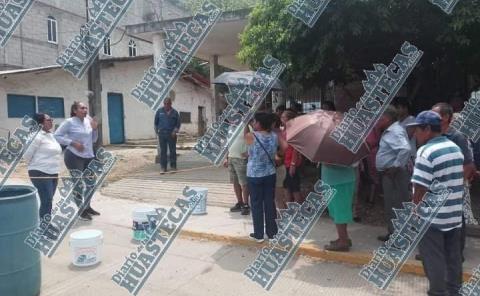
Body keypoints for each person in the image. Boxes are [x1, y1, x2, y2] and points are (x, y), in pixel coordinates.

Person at [407, 110, 464, 296]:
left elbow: (420, 186)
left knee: (433, 258)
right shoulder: (455, 148)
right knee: (453, 257)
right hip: (454, 214)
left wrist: (415, 208)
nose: (415, 134)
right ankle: (454, 290)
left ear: (428, 129)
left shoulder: (426, 151)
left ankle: (438, 292)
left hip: (432, 216)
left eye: (418, 129)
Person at [432, 102, 477, 259]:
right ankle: (439, 251)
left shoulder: (457, 136)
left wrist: (456, 184)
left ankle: (457, 252)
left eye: (435, 114)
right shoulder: (433, 134)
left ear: (445, 117)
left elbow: (468, 165)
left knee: (457, 218)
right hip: (436, 186)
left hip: (454, 186)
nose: (432, 116)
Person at [54, 101, 99, 221]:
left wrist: (95, 129)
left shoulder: (88, 120)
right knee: (78, 184)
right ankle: (81, 210)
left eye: (86, 108)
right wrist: (73, 143)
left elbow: (94, 140)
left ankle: (87, 206)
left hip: (88, 156)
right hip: (73, 156)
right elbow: (57, 136)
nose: (85, 110)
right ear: (75, 110)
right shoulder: (69, 122)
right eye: (82, 108)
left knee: (91, 183)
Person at [375, 106, 411, 242]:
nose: (378, 121)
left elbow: (405, 149)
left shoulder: (395, 131)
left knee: (397, 204)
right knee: (391, 203)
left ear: (388, 118)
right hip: (390, 174)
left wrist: (395, 167)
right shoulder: (390, 131)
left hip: (395, 174)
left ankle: (400, 236)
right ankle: (393, 232)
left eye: (380, 118)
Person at [244, 112, 278, 243]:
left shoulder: (250, 136)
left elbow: (245, 137)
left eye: (254, 121)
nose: (253, 123)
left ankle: (259, 234)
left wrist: (245, 124)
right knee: (270, 203)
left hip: (254, 175)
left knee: (257, 204)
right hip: (270, 173)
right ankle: (272, 233)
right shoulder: (274, 136)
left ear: (258, 123)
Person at [24, 113, 62, 221]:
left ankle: (45, 223)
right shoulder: (36, 136)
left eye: (51, 119)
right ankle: (44, 227)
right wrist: (39, 163)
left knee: (48, 200)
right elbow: (26, 156)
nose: (52, 121)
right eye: (49, 120)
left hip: (53, 172)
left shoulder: (50, 135)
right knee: (46, 200)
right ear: (40, 123)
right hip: (40, 172)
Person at [322, 162, 357, 252]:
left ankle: (343, 242)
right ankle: (343, 237)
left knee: (340, 211)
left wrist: (330, 163)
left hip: (340, 181)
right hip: (334, 180)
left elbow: (354, 163)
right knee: (337, 210)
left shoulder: (346, 149)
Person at [225, 128, 250, 215]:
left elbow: (251, 141)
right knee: (235, 182)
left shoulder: (247, 126)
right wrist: (227, 157)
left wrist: (249, 152)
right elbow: (229, 144)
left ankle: (246, 204)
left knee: (243, 183)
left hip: (241, 159)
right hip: (231, 157)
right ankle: (240, 202)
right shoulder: (230, 128)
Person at [280, 110, 303, 203]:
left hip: (291, 163)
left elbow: (295, 150)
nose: (281, 119)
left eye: (283, 117)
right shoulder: (283, 130)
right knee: (286, 186)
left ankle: (299, 211)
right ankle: (290, 208)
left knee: (294, 188)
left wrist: (293, 164)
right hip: (284, 162)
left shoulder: (293, 131)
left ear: (289, 119)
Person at [154, 94, 181, 173]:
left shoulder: (175, 112)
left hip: (171, 134)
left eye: (168, 103)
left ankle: (173, 166)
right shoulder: (159, 111)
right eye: (165, 103)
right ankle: (163, 167)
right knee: (163, 151)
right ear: (163, 104)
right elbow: (156, 123)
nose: (166, 105)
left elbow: (178, 124)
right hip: (162, 134)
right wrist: (157, 132)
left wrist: (174, 131)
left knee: (172, 150)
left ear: (170, 104)